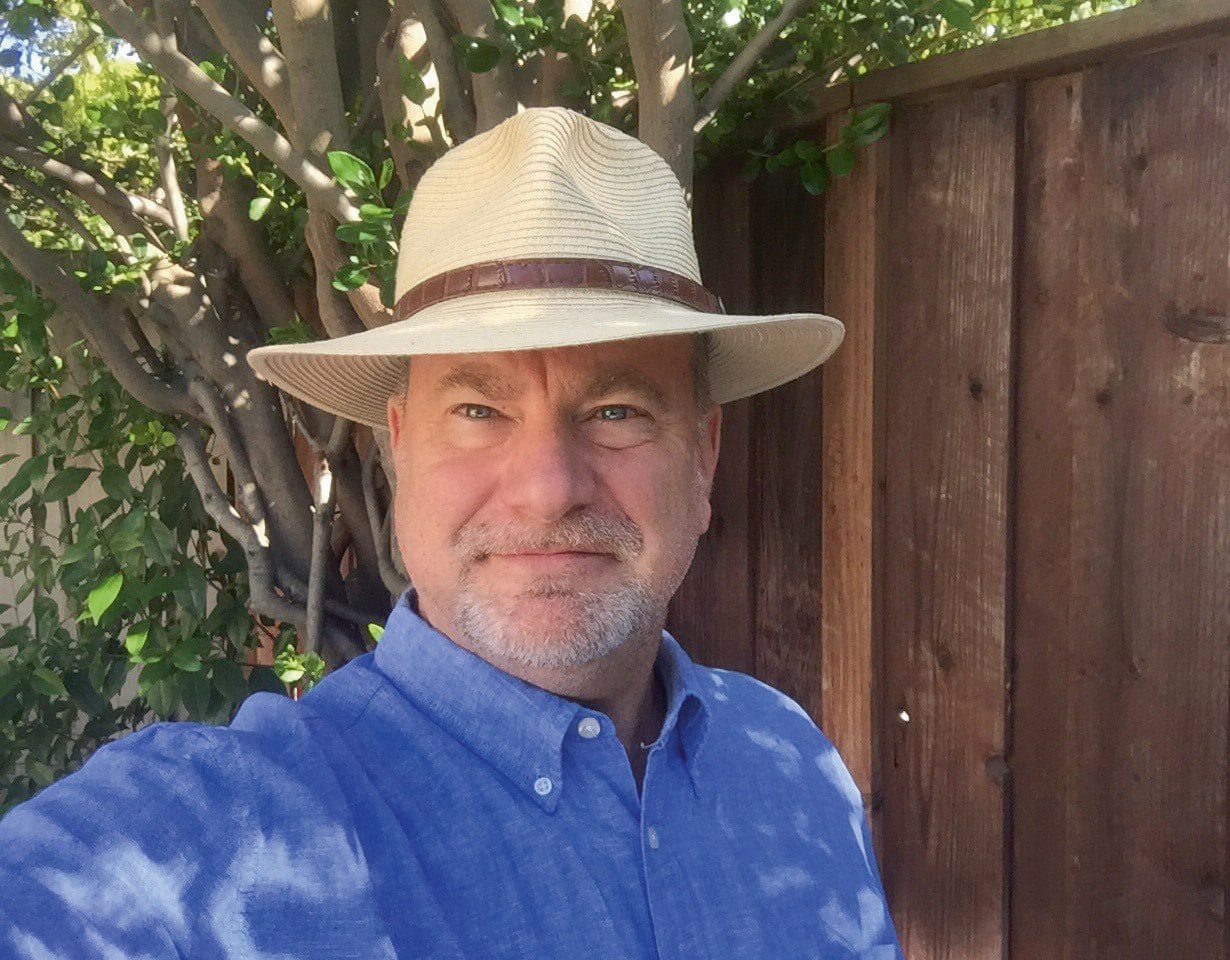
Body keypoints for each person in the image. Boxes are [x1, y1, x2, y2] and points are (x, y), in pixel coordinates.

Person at [0, 106, 904, 959]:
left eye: (619, 410)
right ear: (398, 447)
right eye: (478, 409)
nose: (548, 489)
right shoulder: (209, 835)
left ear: (703, 454)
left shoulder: (791, 760)